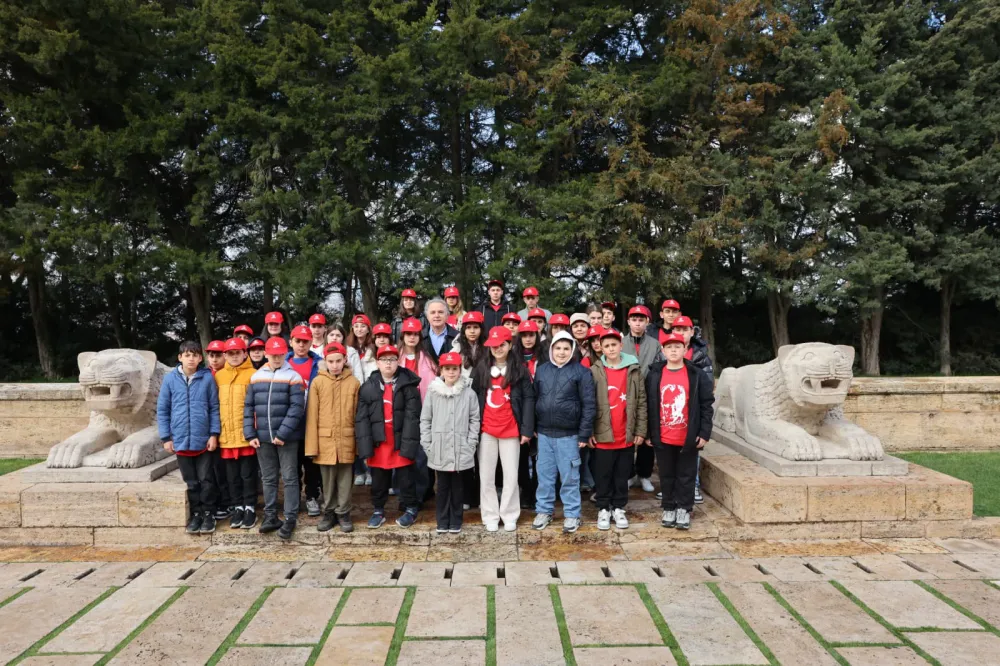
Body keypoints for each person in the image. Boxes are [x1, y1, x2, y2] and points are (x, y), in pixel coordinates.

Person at [646, 333, 713, 530]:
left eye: (677, 346)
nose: (673, 350)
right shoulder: (654, 374)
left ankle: (684, 507)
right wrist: (649, 432)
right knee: (666, 474)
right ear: (663, 351)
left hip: (688, 436)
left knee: (686, 475)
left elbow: (706, 405)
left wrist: (705, 432)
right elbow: (649, 404)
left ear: (685, 350)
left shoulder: (696, 374)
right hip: (663, 435)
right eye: (669, 347)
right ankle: (669, 506)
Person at [531, 332, 595, 533]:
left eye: (566, 348)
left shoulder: (581, 372)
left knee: (570, 478)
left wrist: (584, 434)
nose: (561, 352)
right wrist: (533, 426)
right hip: (544, 434)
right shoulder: (542, 370)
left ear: (572, 350)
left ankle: (572, 513)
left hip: (569, 436)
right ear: (551, 349)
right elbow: (534, 398)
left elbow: (589, 405)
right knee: (545, 476)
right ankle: (544, 510)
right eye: (558, 348)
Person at [473, 326, 535, 532]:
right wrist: (474, 428)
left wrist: (526, 429)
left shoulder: (520, 370)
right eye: (494, 345)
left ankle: (509, 514)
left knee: (511, 475)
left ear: (510, 345)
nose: (497, 349)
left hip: (511, 429)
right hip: (486, 429)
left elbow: (528, 399)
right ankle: (490, 514)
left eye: (502, 345)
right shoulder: (481, 368)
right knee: (486, 476)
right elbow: (473, 398)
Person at [244, 337, 305, 540]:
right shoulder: (256, 377)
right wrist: (250, 433)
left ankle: (290, 518)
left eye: (280, 354)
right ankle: (270, 516)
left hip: (286, 438)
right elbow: (249, 407)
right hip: (262, 437)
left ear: (285, 353)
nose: (276, 358)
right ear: (266, 354)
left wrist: (282, 434)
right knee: (268, 478)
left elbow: (297, 408)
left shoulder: (293, 376)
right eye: (273, 354)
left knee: (289, 477)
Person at [158, 341, 221, 535]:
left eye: (195, 355)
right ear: (180, 358)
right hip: (180, 439)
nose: (191, 359)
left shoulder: (207, 378)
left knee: (206, 479)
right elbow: (163, 410)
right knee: (191, 481)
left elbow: (214, 407)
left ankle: (209, 513)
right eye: (187, 355)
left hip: (203, 439)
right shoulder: (170, 380)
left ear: (200, 358)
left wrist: (213, 434)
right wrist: (166, 438)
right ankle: (196, 514)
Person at [356, 345, 422, 529]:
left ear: (397, 362)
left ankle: (411, 508)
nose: (388, 363)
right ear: (377, 363)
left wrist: (409, 445)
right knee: (378, 480)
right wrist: (365, 447)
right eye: (384, 359)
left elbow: (413, 417)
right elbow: (362, 419)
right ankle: (378, 510)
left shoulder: (408, 385)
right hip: (379, 442)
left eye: (392, 359)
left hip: (401, 440)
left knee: (406, 479)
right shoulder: (368, 387)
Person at [589, 328, 647, 530]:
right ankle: (603, 508)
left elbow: (641, 402)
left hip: (625, 433)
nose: (611, 348)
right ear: (601, 348)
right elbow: (589, 403)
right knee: (603, 475)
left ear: (621, 345)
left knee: (622, 475)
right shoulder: (595, 370)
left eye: (614, 344)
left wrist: (640, 430)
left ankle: (619, 507)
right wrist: (590, 431)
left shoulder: (633, 369)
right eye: (606, 346)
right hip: (603, 434)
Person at [420, 352, 480, 534]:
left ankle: (456, 520)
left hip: (461, 446)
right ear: (441, 370)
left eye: (454, 369)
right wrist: (428, 444)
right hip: (439, 447)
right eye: (447, 369)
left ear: (460, 370)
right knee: (443, 486)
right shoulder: (433, 392)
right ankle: (442, 520)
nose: (451, 372)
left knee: (458, 486)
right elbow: (425, 419)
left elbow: (474, 419)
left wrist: (471, 443)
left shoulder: (469, 393)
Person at [305, 342, 361, 533]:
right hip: (325, 440)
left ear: (345, 360)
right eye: (331, 361)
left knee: (345, 479)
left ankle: (343, 512)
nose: (335, 365)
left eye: (338, 361)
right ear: (325, 362)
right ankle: (329, 511)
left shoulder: (353, 383)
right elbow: (312, 416)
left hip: (347, 439)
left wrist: (359, 444)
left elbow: (357, 415)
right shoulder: (318, 382)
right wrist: (312, 447)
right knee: (327, 480)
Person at [666, 315, 713, 504]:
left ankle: (692, 485)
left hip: (691, 414)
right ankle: (670, 488)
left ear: (692, 332)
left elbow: (707, 392)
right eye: (677, 329)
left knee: (692, 452)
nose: (681, 333)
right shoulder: (664, 353)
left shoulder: (700, 355)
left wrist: (704, 428)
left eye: (685, 330)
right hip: (670, 414)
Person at [215, 337, 258, 530]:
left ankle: (250, 507)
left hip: (245, 435)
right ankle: (237, 507)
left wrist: (254, 431)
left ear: (244, 354)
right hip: (226, 435)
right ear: (225, 355)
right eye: (230, 353)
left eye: (237, 353)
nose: (234, 356)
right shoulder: (219, 376)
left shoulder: (253, 374)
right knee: (232, 476)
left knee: (248, 475)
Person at [624, 305, 664, 494]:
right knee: (628, 434)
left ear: (647, 322)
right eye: (634, 319)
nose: (638, 323)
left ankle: (644, 474)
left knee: (647, 436)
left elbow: (659, 367)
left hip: (649, 393)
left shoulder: (655, 344)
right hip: (626, 394)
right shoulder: (621, 342)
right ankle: (629, 473)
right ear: (628, 321)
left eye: (641, 320)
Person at [288, 324, 326, 518]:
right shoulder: (283, 363)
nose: (301, 345)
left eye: (305, 341)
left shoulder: (320, 364)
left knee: (312, 465)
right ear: (291, 342)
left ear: (311, 342)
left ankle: (312, 496)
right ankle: (294, 498)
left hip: (312, 423)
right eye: (298, 341)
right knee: (292, 465)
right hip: (289, 425)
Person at [514, 319, 546, 509]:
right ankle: (526, 492)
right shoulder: (513, 357)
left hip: (541, 411)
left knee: (539, 458)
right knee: (521, 457)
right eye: (524, 335)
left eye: (531, 335)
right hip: (519, 412)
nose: (528, 339)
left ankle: (537, 493)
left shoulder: (544, 357)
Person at [422, 297, 457, 365]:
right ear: (427, 316)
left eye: (440, 312)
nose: (437, 315)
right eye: (433, 312)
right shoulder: (419, 337)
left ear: (447, 315)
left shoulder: (458, 337)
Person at [347, 314, 378, 380]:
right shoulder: (348, 347)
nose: (359, 329)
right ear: (353, 329)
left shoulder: (374, 346)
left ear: (368, 329)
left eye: (363, 326)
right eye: (356, 326)